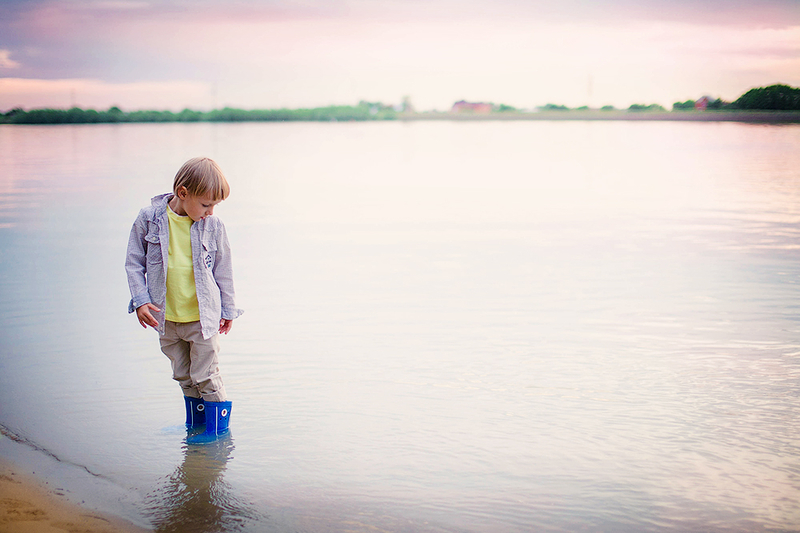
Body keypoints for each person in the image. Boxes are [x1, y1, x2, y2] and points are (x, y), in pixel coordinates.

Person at [125, 157, 243, 444]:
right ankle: (195, 427)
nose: (210, 212)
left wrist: (228, 309)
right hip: (166, 318)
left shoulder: (213, 226)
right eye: (205, 205)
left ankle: (217, 434)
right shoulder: (149, 219)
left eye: (215, 206)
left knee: (206, 375)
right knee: (183, 375)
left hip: (203, 318)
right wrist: (140, 301)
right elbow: (133, 262)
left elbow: (223, 270)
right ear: (182, 193)